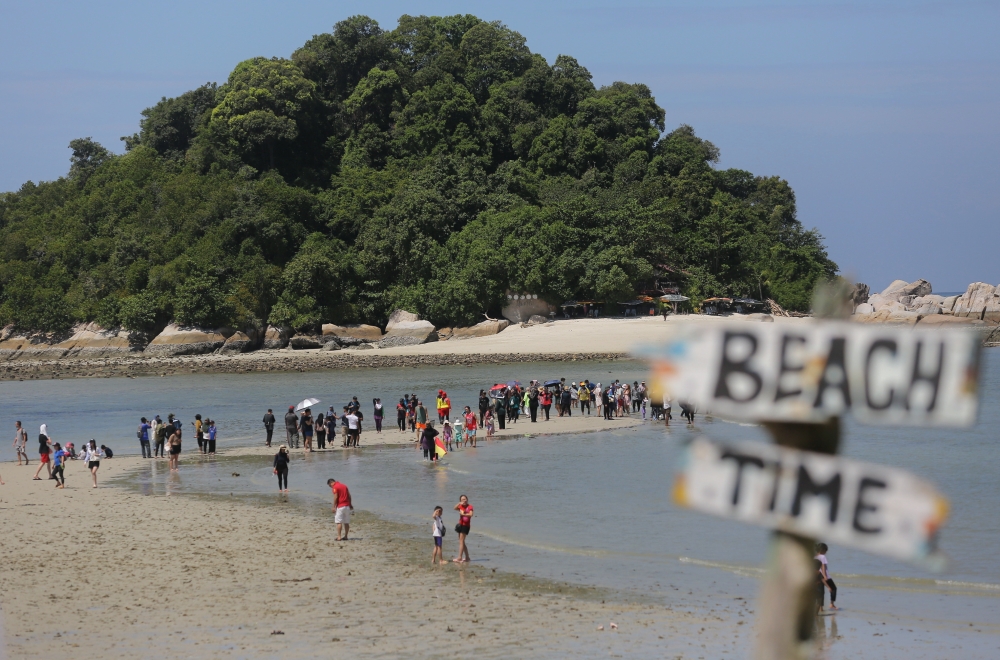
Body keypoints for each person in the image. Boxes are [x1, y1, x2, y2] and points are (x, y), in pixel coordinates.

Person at [815, 543, 838, 611]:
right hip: (824, 575)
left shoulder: (815, 556)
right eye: (826, 550)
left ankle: (820, 608)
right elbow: (823, 566)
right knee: (833, 588)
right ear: (822, 550)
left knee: (821, 592)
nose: (826, 552)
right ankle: (832, 604)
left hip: (817, 576)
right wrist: (825, 576)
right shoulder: (822, 557)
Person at [453, 494, 473, 563]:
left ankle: (459, 558)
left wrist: (463, 514)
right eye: (462, 500)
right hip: (460, 525)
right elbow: (454, 508)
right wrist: (459, 503)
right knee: (462, 541)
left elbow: (471, 514)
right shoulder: (461, 506)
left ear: (467, 499)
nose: (464, 501)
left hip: (466, 526)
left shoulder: (470, 506)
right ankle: (467, 557)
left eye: (465, 499)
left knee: (461, 541)